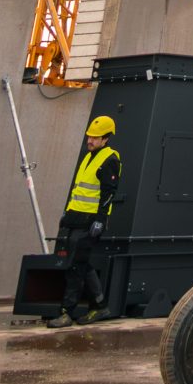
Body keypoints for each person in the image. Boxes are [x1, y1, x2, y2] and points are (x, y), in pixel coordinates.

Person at [47, 115, 122, 328]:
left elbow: (108, 193)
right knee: (81, 263)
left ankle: (66, 311)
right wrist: (67, 213)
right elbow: (80, 189)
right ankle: (100, 305)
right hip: (75, 218)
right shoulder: (89, 157)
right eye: (89, 136)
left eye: (95, 138)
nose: (90, 140)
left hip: (89, 222)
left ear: (106, 138)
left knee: (75, 266)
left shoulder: (109, 160)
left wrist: (100, 220)